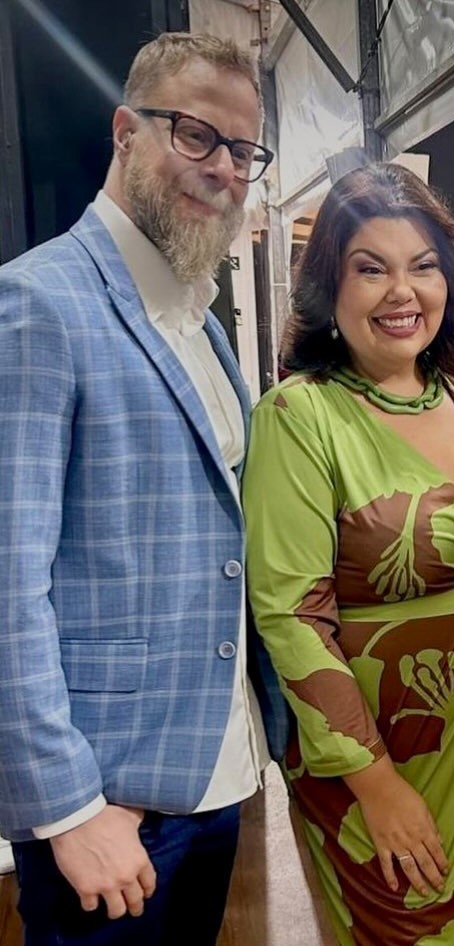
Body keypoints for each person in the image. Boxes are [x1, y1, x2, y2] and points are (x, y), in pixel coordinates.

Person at [0, 32, 286, 946]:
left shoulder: (196, 318)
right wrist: (67, 806)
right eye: (197, 135)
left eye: (242, 150)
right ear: (126, 132)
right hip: (106, 807)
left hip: (210, 772)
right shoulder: (39, 303)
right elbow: (7, 580)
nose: (224, 168)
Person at [243, 163, 454, 946]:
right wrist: (375, 783)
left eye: (422, 266)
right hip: (389, 758)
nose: (402, 292)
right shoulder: (299, 416)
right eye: (371, 269)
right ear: (330, 286)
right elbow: (291, 617)